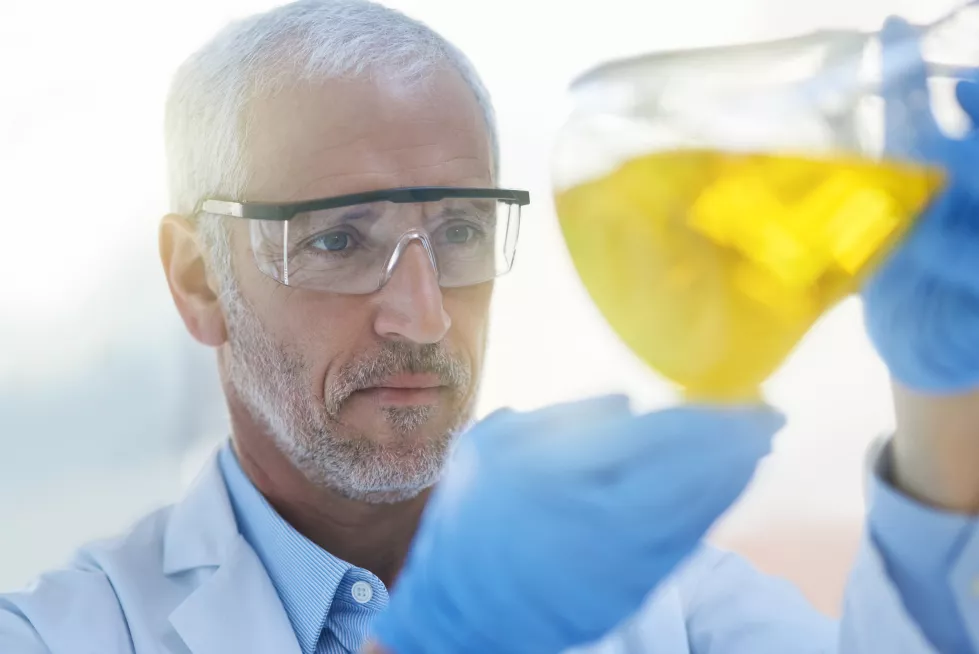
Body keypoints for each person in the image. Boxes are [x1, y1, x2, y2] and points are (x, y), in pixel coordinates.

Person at [0, 2, 974, 652]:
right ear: (198, 279)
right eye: (337, 240)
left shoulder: (658, 597)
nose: (423, 316)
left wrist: (944, 417)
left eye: (460, 231)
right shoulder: (60, 635)